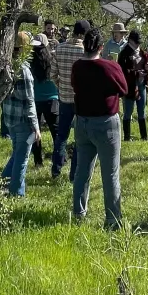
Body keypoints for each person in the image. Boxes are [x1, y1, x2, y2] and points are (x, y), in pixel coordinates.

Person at [70, 27, 127, 229]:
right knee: (110, 173)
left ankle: (78, 212)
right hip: (105, 123)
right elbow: (124, 89)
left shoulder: (77, 66)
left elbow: (75, 86)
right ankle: (112, 219)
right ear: (102, 47)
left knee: (82, 170)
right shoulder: (109, 67)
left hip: (82, 121)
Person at [0, 32, 41, 198]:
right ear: (24, 49)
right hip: (23, 120)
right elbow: (29, 101)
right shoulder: (24, 70)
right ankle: (16, 193)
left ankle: (4, 181)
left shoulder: (8, 65)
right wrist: (36, 127)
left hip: (10, 117)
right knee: (22, 159)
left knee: (17, 153)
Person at [50, 20, 89, 180]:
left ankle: (56, 170)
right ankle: (74, 174)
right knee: (79, 138)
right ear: (83, 34)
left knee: (61, 136)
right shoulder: (85, 50)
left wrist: (62, 86)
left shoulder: (59, 48)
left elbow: (52, 74)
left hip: (64, 98)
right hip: (81, 100)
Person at [30, 33, 60, 167]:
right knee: (56, 132)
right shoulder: (53, 59)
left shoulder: (29, 61)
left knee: (35, 132)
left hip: (35, 99)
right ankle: (59, 158)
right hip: (52, 98)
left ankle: (38, 161)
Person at [117, 29, 148, 141]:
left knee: (142, 110)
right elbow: (122, 71)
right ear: (130, 40)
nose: (138, 44)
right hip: (130, 86)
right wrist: (136, 73)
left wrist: (147, 68)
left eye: (139, 42)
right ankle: (127, 137)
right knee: (128, 112)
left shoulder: (141, 52)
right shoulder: (124, 53)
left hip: (141, 84)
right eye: (136, 42)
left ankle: (144, 136)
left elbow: (145, 64)